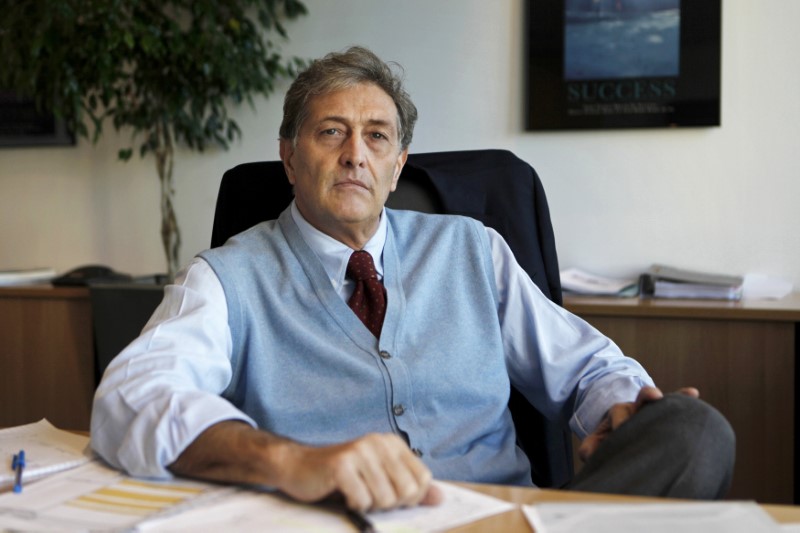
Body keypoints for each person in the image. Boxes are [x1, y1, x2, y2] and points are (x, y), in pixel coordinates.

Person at [91, 46, 734, 513]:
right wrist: (289, 461)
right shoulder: (226, 278)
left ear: (397, 167)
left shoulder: (472, 250)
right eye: (331, 133)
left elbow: (589, 367)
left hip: (505, 521)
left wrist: (619, 410)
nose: (355, 155)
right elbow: (131, 399)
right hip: (339, 524)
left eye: (376, 137)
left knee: (693, 430)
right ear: (289, 157)